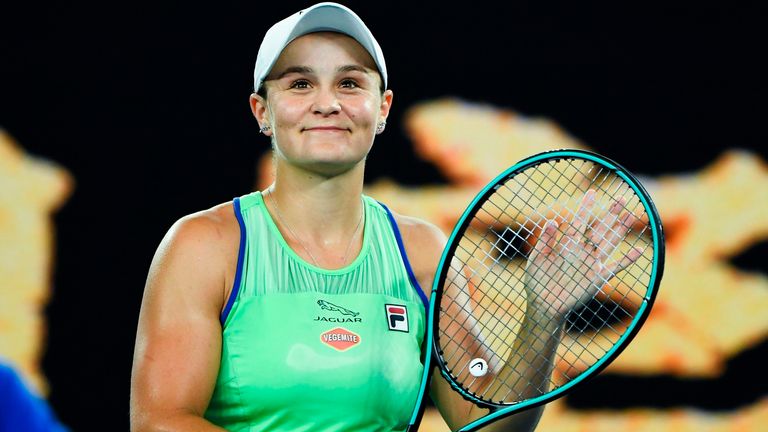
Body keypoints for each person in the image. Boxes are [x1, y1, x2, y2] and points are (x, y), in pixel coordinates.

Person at [130, 3, 637, 431]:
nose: (327, 103)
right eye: (300, 84)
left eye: (350, 83)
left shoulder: (423, 253)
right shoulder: (203, 246)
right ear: (262, 111)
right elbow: (160, 420)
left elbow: (486, 419)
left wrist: (542, 319)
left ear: (383, 107)